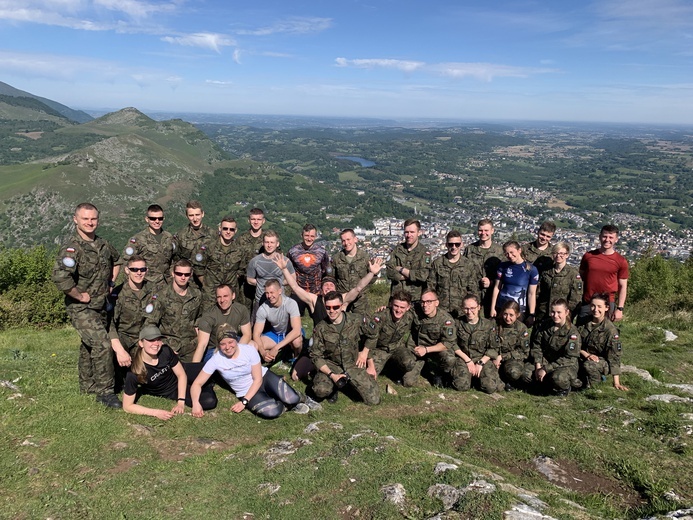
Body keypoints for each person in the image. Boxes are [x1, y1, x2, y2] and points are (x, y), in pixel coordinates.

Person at [52, 202, 122, 408]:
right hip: (81, 308)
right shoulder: (72, 248)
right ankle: (106, 392)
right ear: (76, 220)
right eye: (85, 219)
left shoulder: (102, 244)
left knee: (88, 344)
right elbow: (60, 278)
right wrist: (79, 296)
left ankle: (87, 384)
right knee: (102, 344)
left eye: (93, 219)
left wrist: (111, 283)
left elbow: (117, 261)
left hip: (101, 305)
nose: (90, 223)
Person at [190, 328, 312, 419]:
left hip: (263, 378)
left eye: (230, 342)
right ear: (218, 345)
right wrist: (196, 403)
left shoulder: (248, 350)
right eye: (223, 344)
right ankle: (285, 403)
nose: (227, 347)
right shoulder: (216, 360)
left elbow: (258, 379)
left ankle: (300, 398)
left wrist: (244, 402)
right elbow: (197, 384)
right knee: (272, 412)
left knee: (293, 398)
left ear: (236, 341)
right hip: (245, 390)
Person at [122, 325, 217, 420]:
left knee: (213, 367)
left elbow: (181, 374)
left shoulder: (165, 350)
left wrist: (181, 402)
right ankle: (205, 384)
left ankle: (201, 383)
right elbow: (127, 406)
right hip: (171, 390)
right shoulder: (134, 371)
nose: (156, 343)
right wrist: (156, 412)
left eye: (158, 339)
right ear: (141, 343)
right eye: (151, 340)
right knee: (209, 401)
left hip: (183, 372)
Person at [309, 292, 380, 405]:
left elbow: (374, 333)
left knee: (374, 400)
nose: (331, 311)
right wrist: (332, 375)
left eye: (335, 307)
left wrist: (365, 352)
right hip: (332, 365)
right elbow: (315, 356)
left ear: (341, 306)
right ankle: (333, 385)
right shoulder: (320, 328)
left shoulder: (356, 320)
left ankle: (346, 384)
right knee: (320, 391)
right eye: (328, 307)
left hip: (353, 363)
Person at [274, 253, 383, 327]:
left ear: (336, 289)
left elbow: (358, 288)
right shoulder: (314, 300)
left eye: (331, 285)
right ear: (321, 290)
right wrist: (284, 269)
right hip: (321, 343)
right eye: (325, 285)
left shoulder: (343, 299)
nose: (329, 287)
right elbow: (295, 287)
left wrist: (371, 273)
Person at [108, 256, 159, 383]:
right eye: (134, 269)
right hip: (123, 337)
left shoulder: (153, 290)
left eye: (142, 269)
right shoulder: (117, 293)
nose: (139, 272)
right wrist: (119, 349)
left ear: (146, 270)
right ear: (127, 270)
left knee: (146, 379)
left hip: (144, 337)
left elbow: (157, 317)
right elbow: (110, 323)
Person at [398, 289, 459, 389]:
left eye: (429, 302)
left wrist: (426, 350)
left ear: (436, 303)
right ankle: (422, 366)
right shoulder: (416, 310)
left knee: (450, 359)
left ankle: (438, 373)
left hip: (435, 350)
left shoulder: (445, 319)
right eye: (423, 302)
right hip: (416, 349)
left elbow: (448, 343)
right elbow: (400, 307)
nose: (425, 305)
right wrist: (387, 308)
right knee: (407, 382)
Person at [145, 259, 202, 362]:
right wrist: (161, 343)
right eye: (179, 273)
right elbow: (150, 323)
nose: (183, 277)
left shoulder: (197, 295)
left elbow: (199, 317)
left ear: (191, 274)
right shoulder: (161, 296)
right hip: (168, 348)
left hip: (191, 348)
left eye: (186, 274)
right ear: (173, 273)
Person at [359, 291, 416, 385]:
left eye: (402, 307)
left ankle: (392, 369)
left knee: (409, 363)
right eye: (396, 306)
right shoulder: (381, 316)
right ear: (391, 304)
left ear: (408, 308)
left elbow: (425, 306)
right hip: (379, 349)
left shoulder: (410, 316)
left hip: (396, 348)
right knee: (369, 377)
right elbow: (369, 339)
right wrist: (370, 364)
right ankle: (384, 366)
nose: (398, 310)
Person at [578, 224, 629, 324]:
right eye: (605, 236)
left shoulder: (621, 261)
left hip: (607, 304)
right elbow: (581, 279)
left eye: (611, 237)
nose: (607, 240)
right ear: (600, 237)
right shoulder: (588, 256)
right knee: (582, 332)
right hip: (587, 302)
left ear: (616, 239)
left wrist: (620, 309)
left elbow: (623, 286)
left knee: (604, 334)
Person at [530, 299, 581, 396]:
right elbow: (537, 346)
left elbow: (569, 358)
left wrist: (546, 369)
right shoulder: (545, 325)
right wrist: (538, 366)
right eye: (553, 312)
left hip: (565, 365)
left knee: (558, 378)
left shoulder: (572, 332)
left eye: (559, 312)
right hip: (546, 360)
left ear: (566, 312)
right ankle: (544, 384)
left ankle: (566, 387)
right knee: (527, 373)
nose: (555, 315)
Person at [578, 293, 629, 391]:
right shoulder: (583, 323)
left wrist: (616, 383)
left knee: (589, 365)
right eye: (593, 306)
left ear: (606, 308)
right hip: (583, 356)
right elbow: (574, 344)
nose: (595, 309)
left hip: (600, 361)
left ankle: (595, 386)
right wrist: (586, 354)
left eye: (599, 306)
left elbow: (614, 357)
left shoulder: (610, 330)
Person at [455, 294, 503, 394]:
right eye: (466, 308)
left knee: (490, 388)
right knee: (461, 385)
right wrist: (467, 361)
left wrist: (481, 363)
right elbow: (452, 344)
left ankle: (479, 379)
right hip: (464, 358)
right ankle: (469, 378)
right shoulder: (457, 323)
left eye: (472, 308)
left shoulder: (488, 325)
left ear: (479, 307)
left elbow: (493, 348)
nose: (469, 312)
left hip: (482, 359)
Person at [119, 204, 176, 288]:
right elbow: (126, 263)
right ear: (147, 219)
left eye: (160, 218)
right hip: (147, 286)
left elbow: (174, 259)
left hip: (167, 285)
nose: (157, 221)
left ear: (163, 219)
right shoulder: (138, 240)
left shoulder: (169, 238)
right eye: (153, 218)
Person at [193, 284, 252, 363]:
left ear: (233, 295)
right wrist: (194, 368)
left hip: (233, 342)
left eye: (225, 296)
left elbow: (247, 334)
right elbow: (202, 345)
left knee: (253, 345)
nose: (222, 300)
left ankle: (248, 371)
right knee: (224, 359)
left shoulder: (241, 309)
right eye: (219, 297)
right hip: (215, 348)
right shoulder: (209, 315)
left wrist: (236, 350)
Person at [194, 215, 243, 311]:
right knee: (209, 320)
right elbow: (198, 267)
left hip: (230, 294)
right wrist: (206, 283)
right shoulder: (208, 246)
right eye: (225, 228)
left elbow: (241, 270)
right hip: (211, 295)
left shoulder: (239, 249)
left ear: (235, 231)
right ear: (220, 228)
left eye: (231, 229)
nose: (228, 232)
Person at [253, 279, 303, 363]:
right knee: (253, 345)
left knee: (297, 342)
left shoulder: (290, 303)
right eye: (267, 293)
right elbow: (256, 334)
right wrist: (263, 352)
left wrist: (276, 348)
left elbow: (296, 331)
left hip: (290, 333)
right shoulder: (263, 308)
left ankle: (297, 356)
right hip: (276, 334)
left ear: (280, 291)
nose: (269, 296)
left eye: (272, 292)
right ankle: (262, 359)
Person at [427, 230, 475, 318]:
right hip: (441, 312)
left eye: (457, 244)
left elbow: (473, 290)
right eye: (451, 244)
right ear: (446, 245)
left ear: (461, 244)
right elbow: (430, 288)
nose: (454, 247)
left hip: (462, 312)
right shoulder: (437, 264)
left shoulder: (468, 265)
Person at [490, 241, 539, 325]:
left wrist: (531, 314)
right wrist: (492, 308)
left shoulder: (531, 269)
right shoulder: (502, 266)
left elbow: (531, 293)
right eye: (506, 253)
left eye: (512, 252)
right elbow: (497, 288)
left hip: (519, 310)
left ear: (519, 250)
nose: (509, 256)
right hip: (502, 307)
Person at [463, 219, 504, 317]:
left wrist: (492, 282)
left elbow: (505, 275)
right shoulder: (470, 249)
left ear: (492, 231)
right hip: (473, 296)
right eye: (480, 230)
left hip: (493, 297)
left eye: (486, 230)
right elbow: (463, 271)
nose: (483, 233)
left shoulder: (499, 251)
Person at [287, 224, 330, 314]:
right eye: (306, 235)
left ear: (315, 237)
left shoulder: (322, 252)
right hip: (298, 291)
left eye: (312, 236)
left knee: (319, 319)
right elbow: (288, 270)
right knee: (293, 319)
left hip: (316, 292)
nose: (309, 239)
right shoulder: (293, 251)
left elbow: (325, 270)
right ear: (301, 235)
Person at [535, 242, 582, 323]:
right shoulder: (546, 271)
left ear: (567, 255)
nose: (558, 256)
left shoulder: (573, 274)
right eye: (555, 253)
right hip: (543, 313)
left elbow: (575, 299)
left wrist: (568, 315)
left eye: (561, 253)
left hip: (562, 316)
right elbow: (538, 292)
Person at [246, 230, 294, 311]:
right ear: (263, 243)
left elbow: (293, 278)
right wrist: (261, 283)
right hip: (261, 300)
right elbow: (249, 279)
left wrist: (279, 284)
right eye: (267, 242)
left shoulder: (284, 261)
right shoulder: (255, 261)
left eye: (272, 242)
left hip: (280, 300)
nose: (269, 245)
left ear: (277, 244)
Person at [385, 218, 431, 302]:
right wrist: (411, 276)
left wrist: (401, 269)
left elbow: (423, 275)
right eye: (406, 232)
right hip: (396, 299)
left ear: (419, 233)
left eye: (412, 232)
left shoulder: (424, 253)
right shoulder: (397, 250)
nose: (409, 235)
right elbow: (389, 272)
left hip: (415, 300)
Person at [329, 228, 373, 314]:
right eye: (343, 241)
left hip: (360, 301)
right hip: (342, 300)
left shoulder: (365, 257)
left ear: (355, 239)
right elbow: (331, 278)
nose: (346, 243)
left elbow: (371, 278)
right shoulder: (336, 259)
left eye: (348, 239)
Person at [491, 301, 532, 391]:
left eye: (511, 315)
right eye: (505, 314)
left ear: (517, 315)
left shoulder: (521, 328)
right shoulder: (494, 324)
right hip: (492, 358)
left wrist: (502, 357)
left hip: (511, 360)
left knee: (514, 373)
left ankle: (511, 381)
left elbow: (523, 352)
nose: (507, 318)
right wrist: (494, 357)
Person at [174, 200, 213, 288]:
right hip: (188, 284)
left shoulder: (213, 235)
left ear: (202, 214)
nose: (195, 219)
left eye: (197, 215)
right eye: (191, 215)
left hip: (208, 283)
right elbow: (175, 260)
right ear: (187, 216)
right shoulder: (180, 235)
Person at [236, 208, 267, 310]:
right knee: (244, 312)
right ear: (249, 220)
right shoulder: (241, 239)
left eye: (258, 219)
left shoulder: (267, 239)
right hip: (245, 283)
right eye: (253, 219)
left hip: (263, 282)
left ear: (263, 221)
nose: (256, 222)